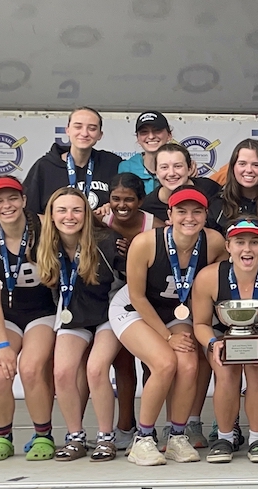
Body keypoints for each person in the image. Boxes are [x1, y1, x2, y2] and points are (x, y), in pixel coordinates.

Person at [109, 187, 226, 465]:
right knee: (164, 363)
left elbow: (230, 268)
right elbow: (136, 295)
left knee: (188, 365)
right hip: (134, 310)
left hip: (177, 312)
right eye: (182, 211)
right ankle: (143, 439)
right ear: (169, 215)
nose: (189, 217)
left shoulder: (214, 242)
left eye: (197, 211)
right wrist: (166, 336)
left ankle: (176, 436)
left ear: (205, 215)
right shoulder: (146, 243)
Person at [191, 218, 258, 463]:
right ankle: (225, 437)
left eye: (254, 242)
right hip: (222, 333)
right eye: (240, 242)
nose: (247, 249)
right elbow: (201, 324)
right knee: (225, 369)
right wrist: (213, 344)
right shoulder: (209, 277)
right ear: (228, 246)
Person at [36, 187, 125, 461]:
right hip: (73, 314)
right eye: (62, 210)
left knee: (96, 370)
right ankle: (75, 437)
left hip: (110, 313)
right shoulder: (46, 244)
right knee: (62, 372)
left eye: (77, 210)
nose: (69, 216)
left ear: (87, 214)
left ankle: (105, 437)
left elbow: (130, 280)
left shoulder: (109, 241)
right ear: (51, 215)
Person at [0, 176, 57, 461]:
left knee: (31, 369)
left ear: (23, 200)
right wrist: (1, 345)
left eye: (12, 198)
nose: (6, 205)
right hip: (7, 314)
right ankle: (2, 438)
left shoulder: (46, 227)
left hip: (43, 312)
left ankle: (44, 435)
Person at [100, 173, 162, 449]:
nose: (121, 205)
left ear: (141, 201)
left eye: (129, 199)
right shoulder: (100, 221)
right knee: (122, 363)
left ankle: (151, 428)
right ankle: (125, 426)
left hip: (149, 299)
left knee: (153, 363)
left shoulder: (155, 226)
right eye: (115, 199)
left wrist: (134, 255)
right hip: (112, 299)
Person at [24, 106, 122, 213]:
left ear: (100, 135)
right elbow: (30, 213)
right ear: (67, 130)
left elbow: (128, 201)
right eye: (78, 127)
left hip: (101, 229)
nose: (84, 133)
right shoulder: (45, 167)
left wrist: (113, 206)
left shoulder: (112, 163)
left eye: (92, 128)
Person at [141, 143, 222, 223]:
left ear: (190, 169)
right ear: (156, 172)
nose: (171, 173)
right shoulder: (148, 206)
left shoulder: (210, 189)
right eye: (164, 167)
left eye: (178, 166)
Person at [118, 111, 173, 194]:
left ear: (169, 135)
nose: (151, 136)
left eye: (157, 130)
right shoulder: (126, 168)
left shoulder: (181, 167)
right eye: (144, 132)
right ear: (138, 138)